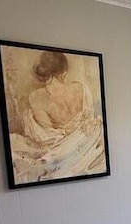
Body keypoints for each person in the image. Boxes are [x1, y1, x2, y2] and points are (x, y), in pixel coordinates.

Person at [9, 51, 106, 183]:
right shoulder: (81, 88)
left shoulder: (36, 97)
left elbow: (47, 136)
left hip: (63, 146)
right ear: (64, 72)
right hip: (86, 140)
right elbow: (89, 118)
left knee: (14, 143)